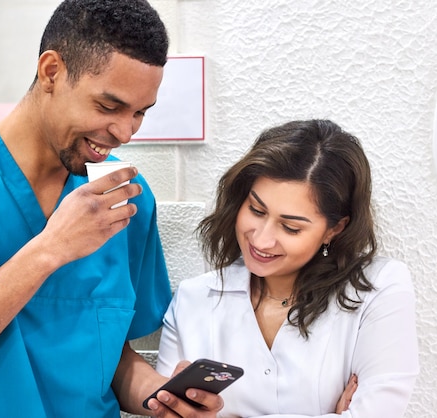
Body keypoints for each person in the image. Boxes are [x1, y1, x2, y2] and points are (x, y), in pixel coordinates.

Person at [0, 1, 223, 417]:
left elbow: (113, 362)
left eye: (140, 112)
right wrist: (50, 249)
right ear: (51, 71)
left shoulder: (126, 198)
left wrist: (162, 396)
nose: (125, 132)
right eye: (109, 106)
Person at [155, 119, 419, 417]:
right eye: (256, 210)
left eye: (291, 227)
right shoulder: (194, 299)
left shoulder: (379, 288)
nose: (262, 240)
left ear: (335, 229)